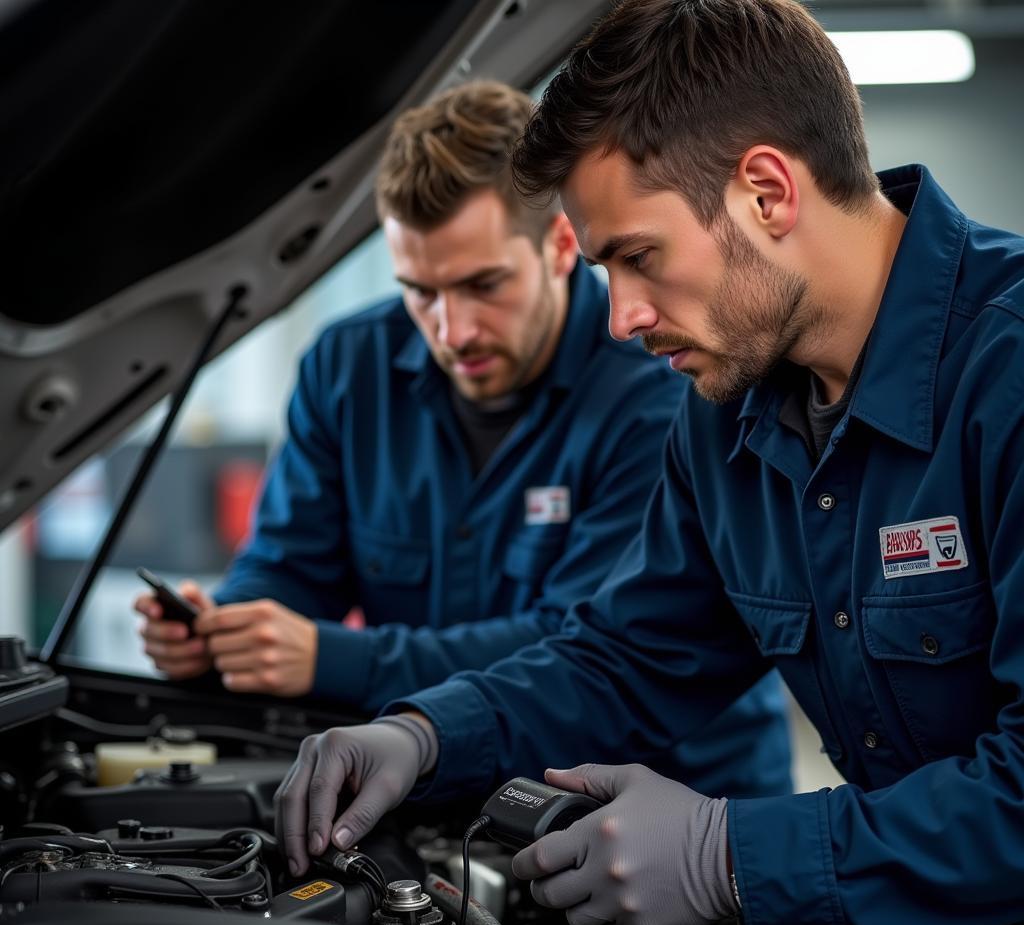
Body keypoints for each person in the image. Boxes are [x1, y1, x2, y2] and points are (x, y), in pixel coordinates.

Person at [275, 2, 1024, 925]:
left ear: (765, 190)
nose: (621, 318)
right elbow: (626, 654)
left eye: (638, 257)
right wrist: (421, 736)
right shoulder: (724, 415)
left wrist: (731, 853)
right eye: (602, 272)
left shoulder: (1007, 378)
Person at [134, 79, 791, 802]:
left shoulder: (663, 385)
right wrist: (229, 633)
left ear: (562, 245)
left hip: (664, 804)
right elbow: (291, 567)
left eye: (484, 285)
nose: (453, 330)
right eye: (421, 290)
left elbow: (586, 653)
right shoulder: (347, 369)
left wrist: (332, 659)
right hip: (440, 784)